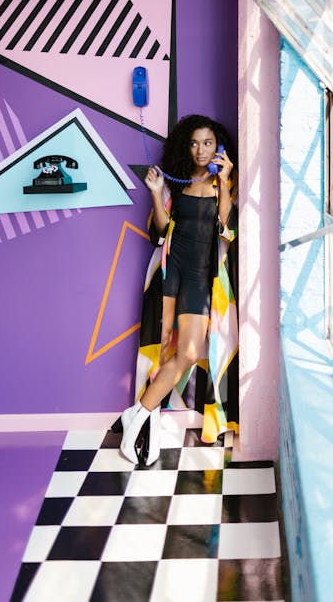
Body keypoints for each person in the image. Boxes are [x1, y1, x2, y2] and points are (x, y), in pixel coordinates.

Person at [115, 114, 239, 465]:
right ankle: (146, 426)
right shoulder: (177, 181)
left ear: (219, 147)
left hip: (202, 278)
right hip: (170, 274)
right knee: (163, 350)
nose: (201, 150)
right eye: (195, 143)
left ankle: (137, 413)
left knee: (186, 352)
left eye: (208, 143)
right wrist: (156, 193)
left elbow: (227, 229)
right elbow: (160, 230)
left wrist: (226, 179)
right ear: (187, 146)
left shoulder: (222, 184)